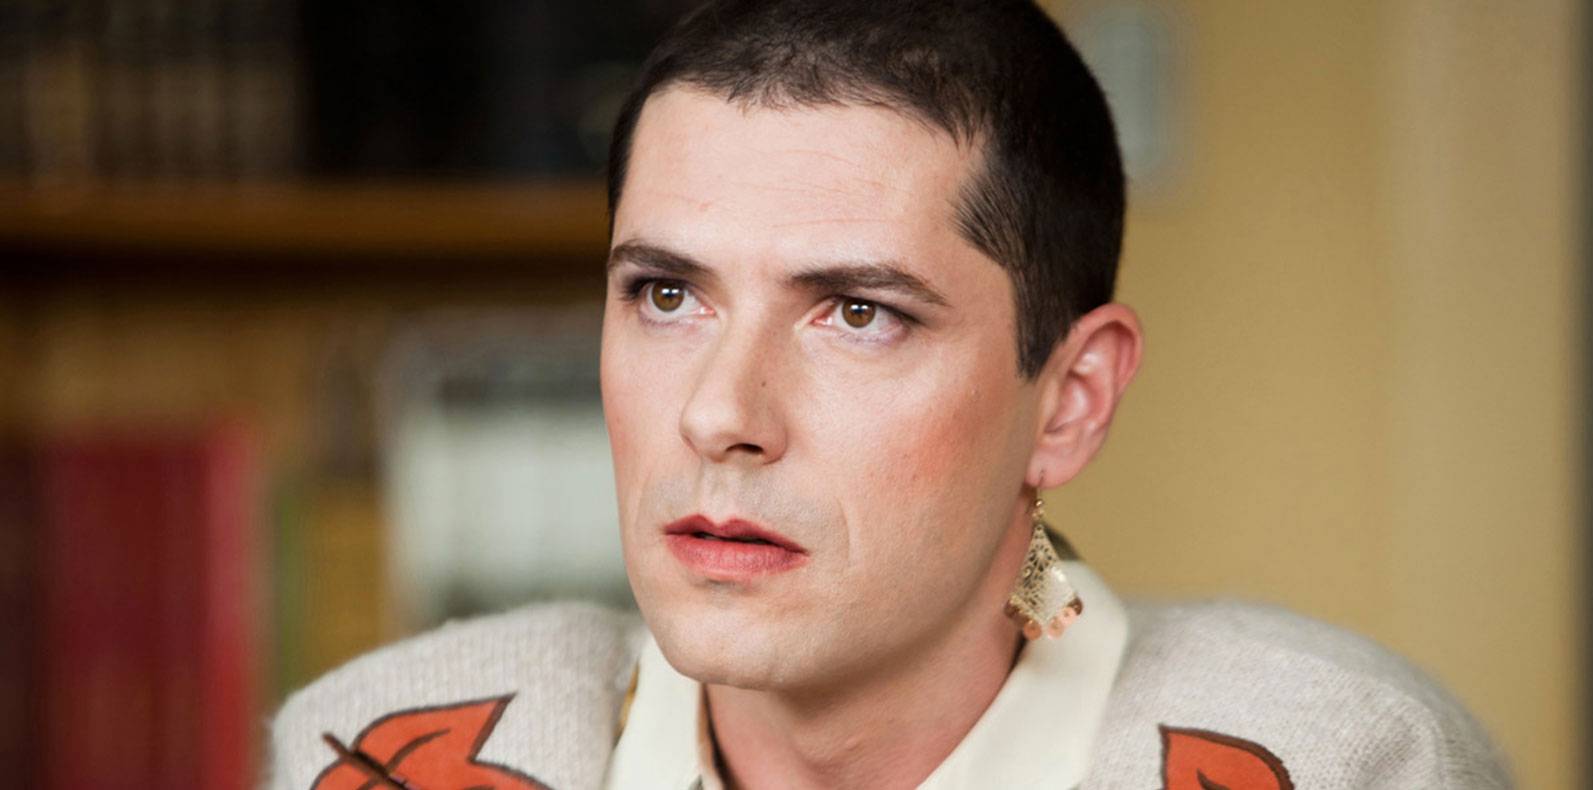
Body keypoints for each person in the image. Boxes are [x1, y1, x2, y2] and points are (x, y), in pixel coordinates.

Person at [269, 2, 1512, 788]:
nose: (719, 413)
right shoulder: (378, 751)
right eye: (666, 294)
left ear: (1070, 399)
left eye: (858, 313)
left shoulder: (1343, 759)